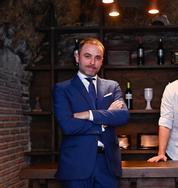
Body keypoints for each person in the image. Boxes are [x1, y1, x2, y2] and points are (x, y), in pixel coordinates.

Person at [53, 37, 129, 188]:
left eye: (97, 58)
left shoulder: (112, 87)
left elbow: (123, 116)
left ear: (102, 61)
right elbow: (68, 125)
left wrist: (89, 114)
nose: (92, 62)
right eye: (87, 56)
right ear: (77, 57)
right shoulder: (62, 89)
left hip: (107, 165)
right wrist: (104, 122)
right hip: (76, 166)